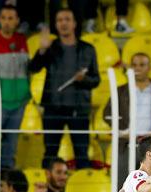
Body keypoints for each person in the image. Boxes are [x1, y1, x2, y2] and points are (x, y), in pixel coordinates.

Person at [28, 8, 99, 170]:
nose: (63, 23)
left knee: (81, 154)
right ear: (56, 25)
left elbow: (96, 80)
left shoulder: (88, 49)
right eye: (59, 20)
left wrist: (84, 79)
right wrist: (42, 50)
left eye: (67, 19)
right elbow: (33, 68)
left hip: (79, 110)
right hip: (53, 109)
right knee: (50, 153)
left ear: (74, 23)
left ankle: (83, 190)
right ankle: (47, 191)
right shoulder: (50, 47)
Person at [103, 53, 151, 188]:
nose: (138, 68)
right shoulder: (120, 91)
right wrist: (122, 130)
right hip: (126, 143)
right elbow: (107, 114)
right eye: (134, 65)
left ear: (149, 68)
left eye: (142, 65)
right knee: (123, 185)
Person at [0, 5, 30, 169]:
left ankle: (6, 186)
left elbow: (27, 71)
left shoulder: (21, 40)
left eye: (11, 18)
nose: (6, 22)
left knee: (10, 148)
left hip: (18, 104)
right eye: (3, 18)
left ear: (17, 21)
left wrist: (26, 94)